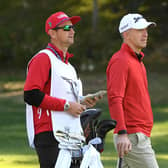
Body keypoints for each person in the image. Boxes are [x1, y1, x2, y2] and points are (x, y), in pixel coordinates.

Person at [24, 11, 102, 168]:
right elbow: (31, 95)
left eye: (72, 27)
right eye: (66, 27)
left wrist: (81, 100)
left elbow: (59, 95)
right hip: (50, 134)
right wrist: (67, 106)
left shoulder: (69, 66)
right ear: (52, 33)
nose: (72, 31)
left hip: (70, 135)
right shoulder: (43, 58)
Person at [106, 13, 159, 168]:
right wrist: (122, 132)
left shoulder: (137, 61)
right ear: (126, 34)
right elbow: (115, 98)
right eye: (139, 29)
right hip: (131, 136)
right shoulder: (120, 60)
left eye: (146, 29)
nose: (145, 33)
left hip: (138, 135)